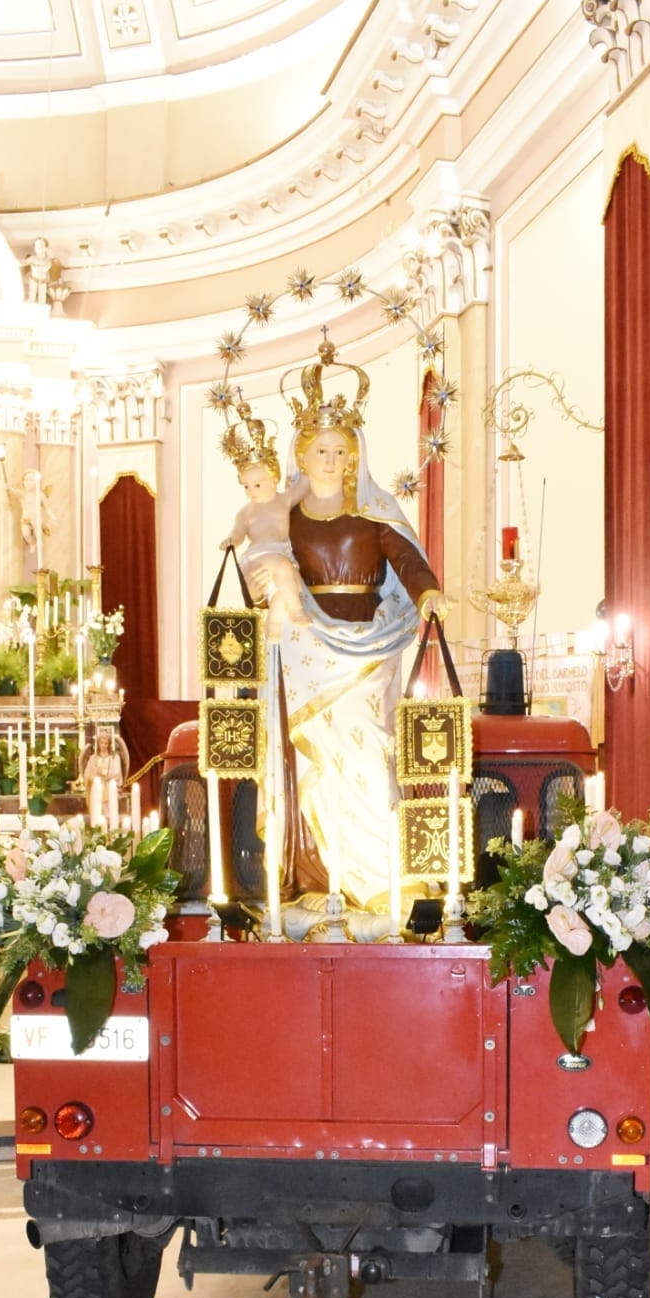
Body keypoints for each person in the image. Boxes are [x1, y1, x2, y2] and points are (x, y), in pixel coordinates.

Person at [271, 341, 445, 907]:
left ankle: (383, 872)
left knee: (371, 750)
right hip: (306, 650)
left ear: (353, 456)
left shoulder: (374, 510)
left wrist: (427, 593)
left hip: (370, 643)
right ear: (302, 455)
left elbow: (407, 559)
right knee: (317, 760)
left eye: (340, 451)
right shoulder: (285, 519)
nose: (330, 459)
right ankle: (324, 875)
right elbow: (264, 567)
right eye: (320, 450)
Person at [220, 430, 308, 640]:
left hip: (282, 554)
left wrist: (307, 454)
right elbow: (238, 534)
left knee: (288, 591)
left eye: (257, 485)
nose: (251, 491)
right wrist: (231, 540)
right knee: (283, 569)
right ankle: (297, 612)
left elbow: (305, 484)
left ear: (274, 478)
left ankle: (274, 626)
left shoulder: (284, 500)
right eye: (246, 487)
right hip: (258, 557)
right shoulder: (246, 512)